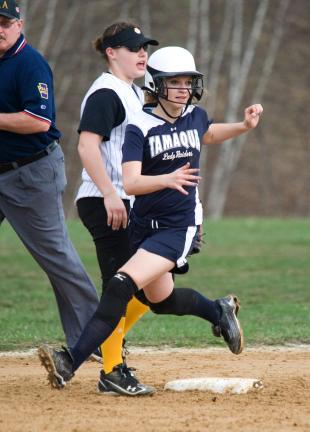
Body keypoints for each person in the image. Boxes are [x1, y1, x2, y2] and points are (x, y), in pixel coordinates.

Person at [38, 46, 263, 395]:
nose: (183, 89)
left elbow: (210, 133)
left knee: (119, 284)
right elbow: (131, 183)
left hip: (178, 228)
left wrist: (244, 126)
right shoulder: (139, 125)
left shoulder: (196, 116)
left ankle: (71, 360)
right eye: (174, 82)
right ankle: (219, 311)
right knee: (161, 301)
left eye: (188, 82)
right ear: (156, 85)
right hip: (144, 226)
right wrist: (167, 179)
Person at [0, 1, 100, 351]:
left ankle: (96, 337)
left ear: (19, 25)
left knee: (55, 255)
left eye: (5, 22)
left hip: (31, 173)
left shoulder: (30, 63)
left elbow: (37, 121)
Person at [74, 22, 159, 395]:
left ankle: (104, 339)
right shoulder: (106, 93)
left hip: (128, 201)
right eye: (132, 47)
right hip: (104, 199)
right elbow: (86, 147)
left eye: (144, 47)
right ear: (111, 52)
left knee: (152, 282)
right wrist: (110, 194)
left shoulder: (135, 93)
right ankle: (112, 369)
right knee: (121, 286)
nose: (142, 53)